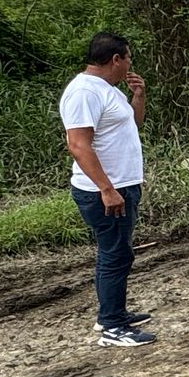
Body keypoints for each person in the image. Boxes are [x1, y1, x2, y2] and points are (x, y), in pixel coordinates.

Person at [60, 32, 156, 347]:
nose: (130, 64)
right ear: (115, 59)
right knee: (115, 254)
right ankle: (113, 327)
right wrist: (106, 188)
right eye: (128, 58)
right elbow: (78, 145)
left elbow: (132, 126)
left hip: (122, 185)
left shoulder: (107, 90)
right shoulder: (84, 92)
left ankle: (113, 314)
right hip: (104, 191)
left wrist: (138, 97)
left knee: (117, 252)